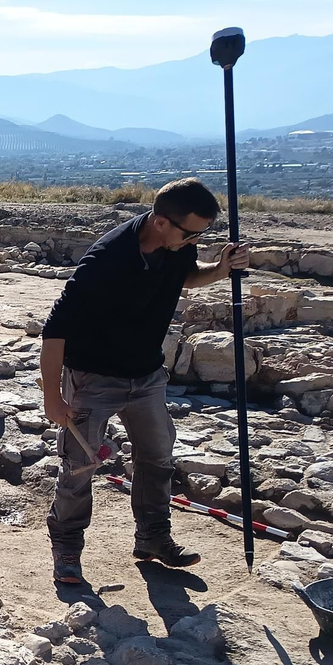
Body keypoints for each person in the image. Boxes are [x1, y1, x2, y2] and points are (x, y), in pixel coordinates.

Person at [41, 177, 251, 585]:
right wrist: (52, 395)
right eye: (190, 233)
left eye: (202, 235)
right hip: (93, 376)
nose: (194, 242)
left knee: (157, 458)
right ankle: (67, 548)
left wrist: (222, 268)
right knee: (80, 466)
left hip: (147, 375)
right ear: (159, 222)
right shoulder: (106, 261)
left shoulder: (175, 247)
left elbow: (186, 277)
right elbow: (54, 330)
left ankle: (153, 537)